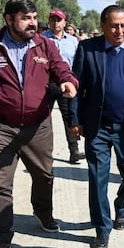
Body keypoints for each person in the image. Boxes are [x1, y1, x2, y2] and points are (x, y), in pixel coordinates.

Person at [0, 0, 77, 248]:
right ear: (9, 19)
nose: (33, 23)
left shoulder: (44, 44)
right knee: (0, 185)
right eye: (26, 18)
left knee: (44, 174)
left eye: (35, 17)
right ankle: (0, 240)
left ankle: (43, 212)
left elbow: (60, 68)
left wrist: (68, 81)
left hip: (38, 126)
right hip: (0, 126)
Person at [70, 6, 124, 248]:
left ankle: (122, 206)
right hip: (97, 127)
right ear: (103, 26)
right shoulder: (88, 49)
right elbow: (76, 87)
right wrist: (74, 119)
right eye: (114, 26)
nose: (119, 31)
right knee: (98, 178)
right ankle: (102, 227)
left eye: (123, 26)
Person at [43, 8, 82, 163]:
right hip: (46, 83)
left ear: (65, 22)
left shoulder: (73, 41)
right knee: (43, 118)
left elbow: (77, 64)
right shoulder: (41, 39)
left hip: (66, 83)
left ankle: (74, 151)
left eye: (58, 20)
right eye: (52, 19)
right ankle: (41, 152)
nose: (55, 23)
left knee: (69, 118)